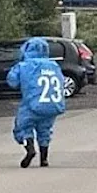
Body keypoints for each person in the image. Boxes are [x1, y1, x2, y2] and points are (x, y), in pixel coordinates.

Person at [6, 37, 67, 168]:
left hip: (32, 104)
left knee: (23, 127)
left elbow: (12, 81)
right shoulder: (54, 65)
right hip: (52, 104)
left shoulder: (24, 66)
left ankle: (30, 149)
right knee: (45, 130)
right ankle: (44, 159)